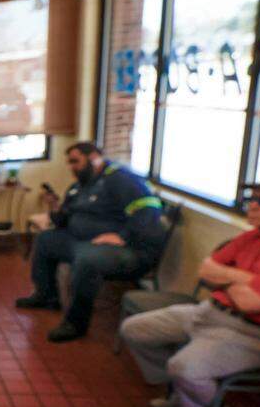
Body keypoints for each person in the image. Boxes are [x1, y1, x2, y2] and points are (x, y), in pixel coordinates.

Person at [119, 174, 260, 407]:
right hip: (209, 312)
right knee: (135, 329)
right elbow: (206, 270)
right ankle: (183, 393)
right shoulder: (254, 236)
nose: (253, 206)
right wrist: (247, 281)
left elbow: (249, 303)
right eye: (251, 199)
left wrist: (227, 277)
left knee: (185, 367)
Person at [16, 142, 166, 342]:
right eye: (69, 163)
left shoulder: (120, 179)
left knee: (87, 259)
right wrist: (54, 208)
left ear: (94, 157)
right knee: (46, 240)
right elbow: (64, 219)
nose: (72, 167)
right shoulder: (79, 186)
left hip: (127, 250)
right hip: (80, 241)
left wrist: (123, 236)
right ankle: (46, 296)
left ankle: (75, 323)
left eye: (75, 161)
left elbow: (150, 207)